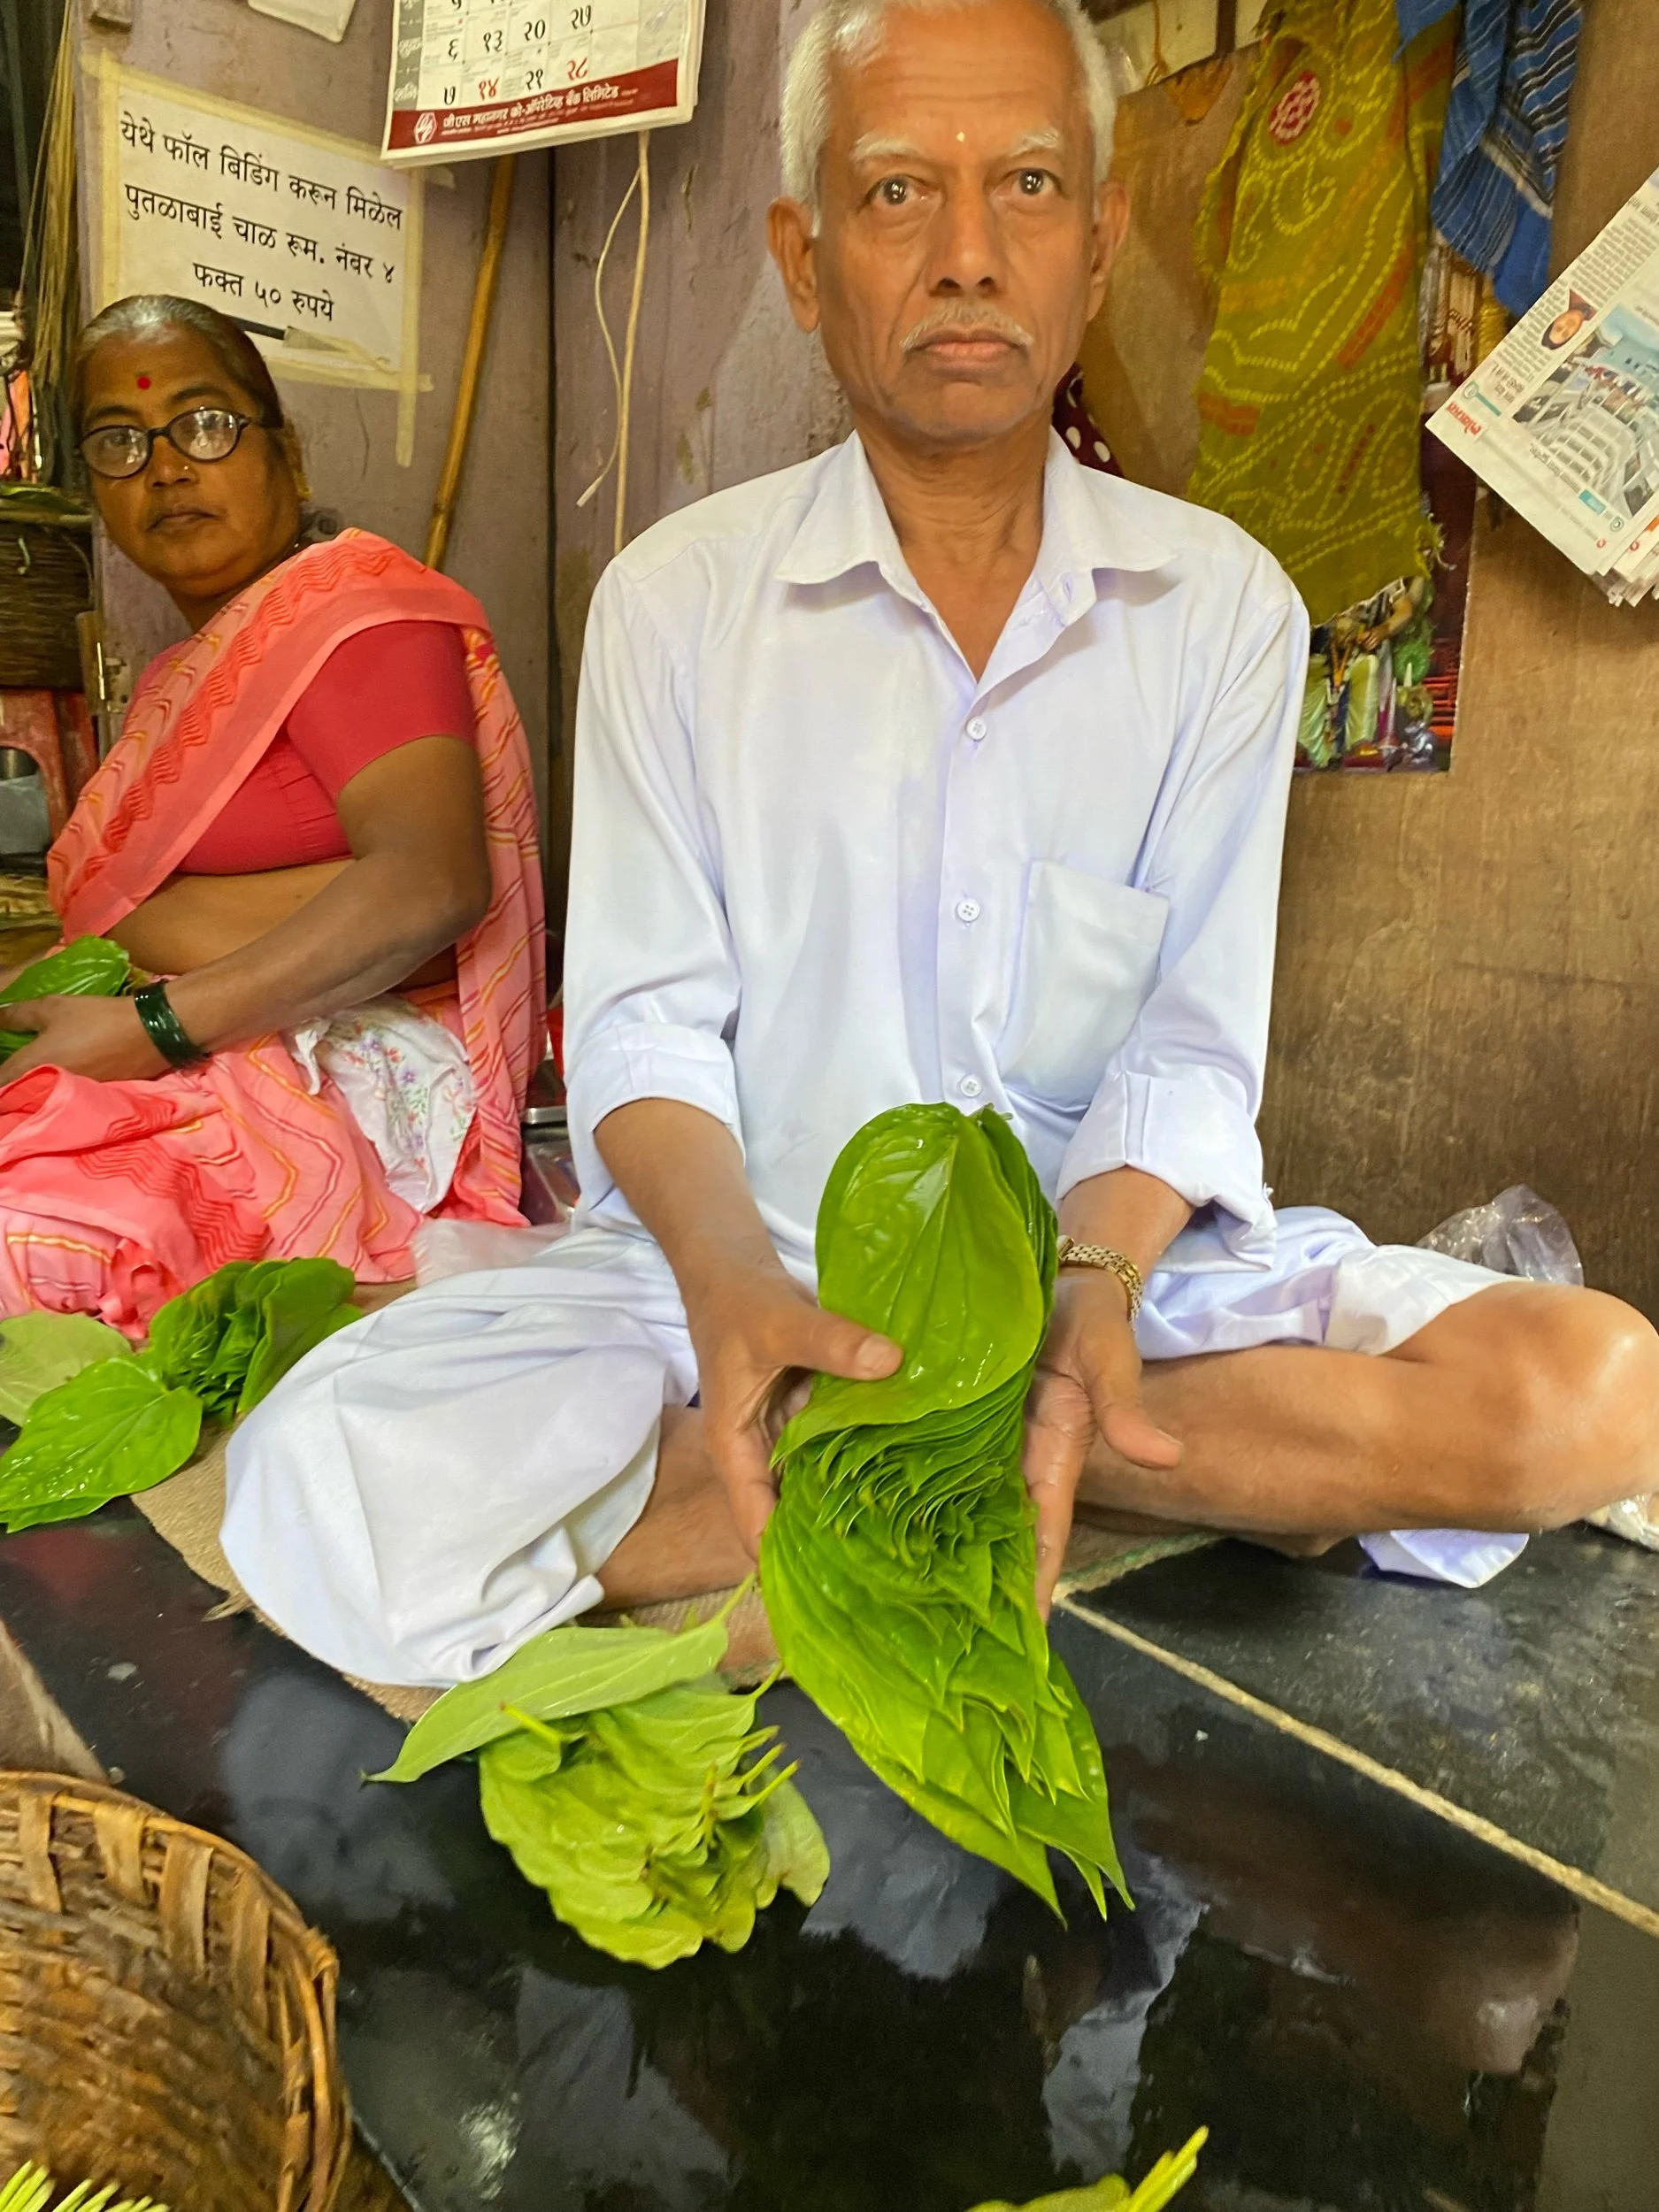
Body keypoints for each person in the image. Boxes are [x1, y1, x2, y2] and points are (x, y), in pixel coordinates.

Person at [225, 0, 1659, 1687]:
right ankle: (958, 1453)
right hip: (747, 1267)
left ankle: (888, 1462)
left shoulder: (1220, 613)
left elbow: (1187, 1054)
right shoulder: (676, 606)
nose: (970, 254)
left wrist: (1092, 1297)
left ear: (1103, 240)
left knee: (1595, 1393)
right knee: (315, 1463)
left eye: (1033, 186)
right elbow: (642, 1031)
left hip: (1103, 1275)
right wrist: (738, 1293)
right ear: (804, 254)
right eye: (899, 192)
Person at [0, 296, 544, 1334]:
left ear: (283, 452)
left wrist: (154, 1017)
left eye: (205, 423)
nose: (166, 468)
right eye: (120, 442)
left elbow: (433, 885)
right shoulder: (181, 677)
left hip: (344, 1084)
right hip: (218, 1046)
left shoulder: (356, 615)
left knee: (32, 1240)